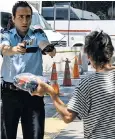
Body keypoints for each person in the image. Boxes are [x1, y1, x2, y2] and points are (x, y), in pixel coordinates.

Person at [32, 31, 115, 139]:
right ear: (111, 52)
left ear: (89, 56)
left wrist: (52, 93)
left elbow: (68, 116)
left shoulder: (88, 84)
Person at [0, 1, 56, 139]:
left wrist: (49, 49)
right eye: (20, 17)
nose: (25, 20)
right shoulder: (7, 34)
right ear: (13, 18)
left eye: (28, 16)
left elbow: (44, 45)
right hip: (10, 94)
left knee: (35, 135)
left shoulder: (37, 34)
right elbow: (4, 49)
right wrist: (15, 49)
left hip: (34, 94)